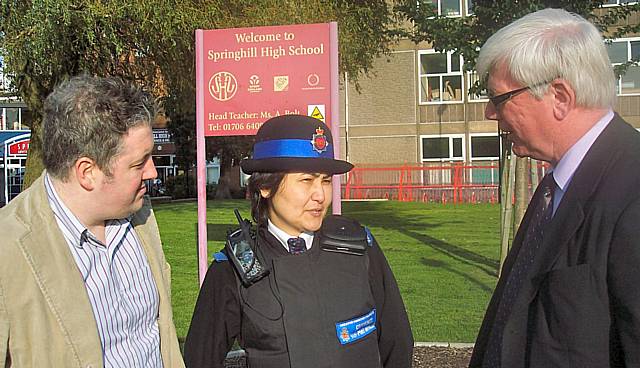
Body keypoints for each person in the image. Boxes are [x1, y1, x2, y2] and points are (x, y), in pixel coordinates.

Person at [470, 8, 640, 368]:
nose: (489, 112)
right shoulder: (557, 183)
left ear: (559, 97)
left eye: (499, 99)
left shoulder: (631, 192)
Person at [183, 114, 413, 368]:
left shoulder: (359, 247)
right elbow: (200, 358)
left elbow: (397, 341)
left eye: (325, 181)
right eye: (306, 180)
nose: (320, 195)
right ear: (265, 186)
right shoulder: (232, 269)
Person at [0, 75, 185, 367]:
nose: (152, 172)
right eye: (139, 163)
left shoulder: (140, 215)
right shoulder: (8, 248)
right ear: (87, 172)